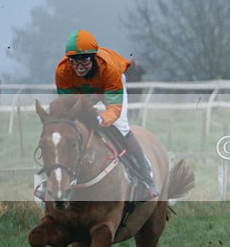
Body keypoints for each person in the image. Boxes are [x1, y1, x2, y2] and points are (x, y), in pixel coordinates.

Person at [48, 29, 159, 200]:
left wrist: (101, 119)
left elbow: (114, 109)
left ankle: (146, 177)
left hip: (109, 86)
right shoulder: (62, 70)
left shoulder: (109, 68)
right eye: (74, 61)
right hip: (83, 90)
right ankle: (53, 181)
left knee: (120, 125)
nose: (79, 66)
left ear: (93, 57)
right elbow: (66, 105)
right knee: (65, 130)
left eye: (84, 60)